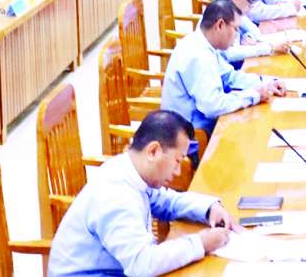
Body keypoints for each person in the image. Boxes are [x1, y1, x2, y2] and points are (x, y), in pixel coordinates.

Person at [47, 110, 235, 275]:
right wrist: (201, 243)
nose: (178, 172)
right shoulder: (116, 196)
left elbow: (165, 201)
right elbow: (141, 265)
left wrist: (209, 208)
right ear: (153, 151)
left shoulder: (130, 169)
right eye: (177, 161)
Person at [160, 0, 284, 141]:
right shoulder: (198, 55)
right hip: (189, 136)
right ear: (220, 25)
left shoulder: (204, 44)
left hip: (204, 123)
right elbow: (213, 106)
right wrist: (254, 95)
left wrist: (267, 82)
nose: (237, 35)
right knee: (255, 134)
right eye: (236, 29)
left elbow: (229, 77)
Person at [217, 0, 289, 65]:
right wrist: (270, 48)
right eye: (250, 3)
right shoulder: (221, 17)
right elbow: (231, 54)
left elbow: (255, 31)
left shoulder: (236, 13)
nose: (251, 7)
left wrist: (247, 36)